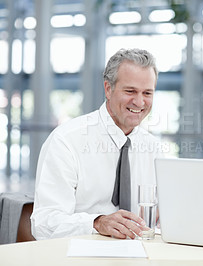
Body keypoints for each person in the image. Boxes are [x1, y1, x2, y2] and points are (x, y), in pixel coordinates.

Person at [31, 48, 164, 240]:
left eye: (147, 93)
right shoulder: (66, 141)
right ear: (108, 89)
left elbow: (162, 216)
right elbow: (43, 223)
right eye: (130, 91)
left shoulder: (154, 149)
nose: (139, 101)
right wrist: (97, 223)